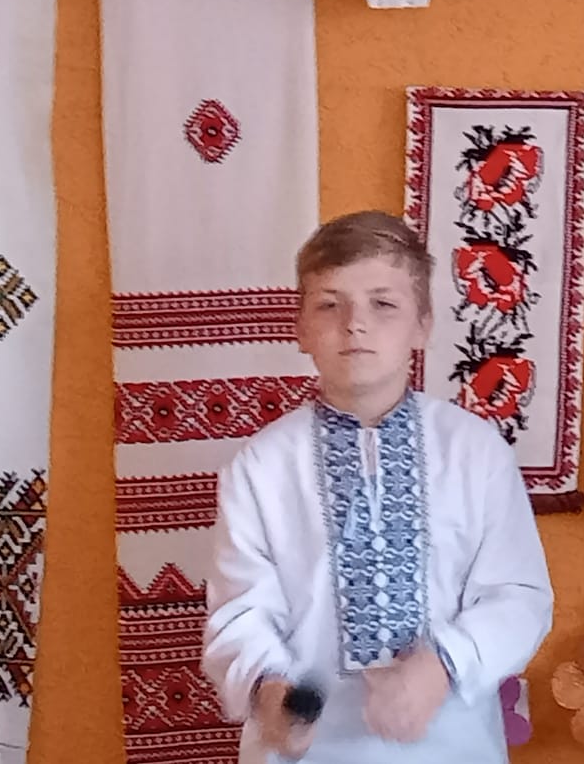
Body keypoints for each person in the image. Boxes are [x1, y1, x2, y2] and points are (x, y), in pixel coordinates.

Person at [202, 210, 554, 764]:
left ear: (423, 325)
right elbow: (239, 614)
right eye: (329, 304)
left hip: (454, 749)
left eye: (383, 304)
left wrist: (441, 666)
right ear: (300, 328)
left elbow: (520, 597)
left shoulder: (475, 452)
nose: (355, 324)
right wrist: (269, 690)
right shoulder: (262, 467)